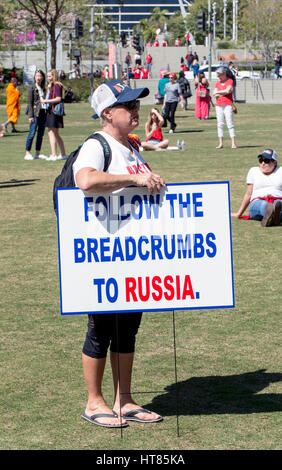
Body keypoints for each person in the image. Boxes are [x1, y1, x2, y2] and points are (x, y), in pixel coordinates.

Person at [73, 79, 165, 428]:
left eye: (137, 105)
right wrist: (135, 180)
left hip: (133, 256)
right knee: (101, 328)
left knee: (127, 328)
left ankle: (124, 399)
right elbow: (85, 179)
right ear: (107, 113)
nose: (136, 110)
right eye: (129, 106)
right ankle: (95, 402)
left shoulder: (129, 146)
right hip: (104, 254)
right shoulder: (98, 145)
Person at [231, 149, 282, 227]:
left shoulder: (280, 171)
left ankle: (272, 217)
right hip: (257, 201)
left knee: (278, 204)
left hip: (278, 199)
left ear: (274, 162)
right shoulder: (253, 171)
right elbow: (248, 194)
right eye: (261, 160)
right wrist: (239, 213)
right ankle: (271, 213)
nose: (263, 163)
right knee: (264, 205)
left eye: (266, 161)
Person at [40, 69, 67, 161]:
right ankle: (63, 154)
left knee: (51, 132)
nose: (48, 78)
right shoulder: (53, 85)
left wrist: (45, 101)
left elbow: (58, 98)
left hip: (54, 111)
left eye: (50, 76)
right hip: (53, 111)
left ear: (54, 76)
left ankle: (54, 154)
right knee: (55, 133)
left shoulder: (57, 85)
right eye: (47, 76)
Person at [24, 69, 48, 161]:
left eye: (40, 76)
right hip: (35, 113)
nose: (38, 78)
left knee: (40, 134)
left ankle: (37, 153)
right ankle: (27, 152)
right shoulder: (32, 88)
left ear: (42, 77)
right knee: (32, 133)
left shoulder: (43, 88)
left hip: (43, 112)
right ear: (34, 77)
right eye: (37, 76)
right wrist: (30, 116)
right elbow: (29, 103)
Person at [212, 67, 237, 149]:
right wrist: (222, 93)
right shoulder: (217, 83)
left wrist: (218, 92)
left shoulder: (230, 81)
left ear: (224, 74)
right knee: (220, 124)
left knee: (230, 123)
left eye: (219, 75)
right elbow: (214, 94)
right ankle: (220, 143)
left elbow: (228, 90)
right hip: (219, 105)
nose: (218, 77)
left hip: (227, 104)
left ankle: (233, 143)